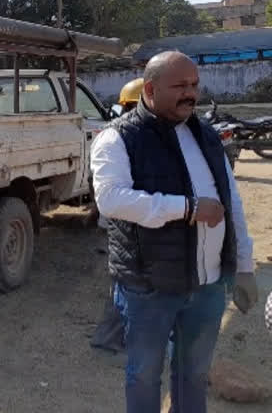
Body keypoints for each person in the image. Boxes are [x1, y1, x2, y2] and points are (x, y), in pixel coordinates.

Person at [90, 51, 257, 413]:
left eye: (195, 85)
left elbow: (232, 204)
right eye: (179, 86)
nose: (190, 93)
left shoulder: (207, 136)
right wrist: (187, 208)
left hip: (208, 285)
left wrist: (244, 266)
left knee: (193, 374)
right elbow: (110, 199)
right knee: (145, 375)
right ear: (150, 88)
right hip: (150, 288)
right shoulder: (118, 138)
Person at [89, 77, 145, 354]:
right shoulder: (124, 137)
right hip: (126, 224)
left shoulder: (116, 132)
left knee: (128, 283)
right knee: (126, 284)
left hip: (118, 222)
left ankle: (117, 335)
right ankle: (108, 337)